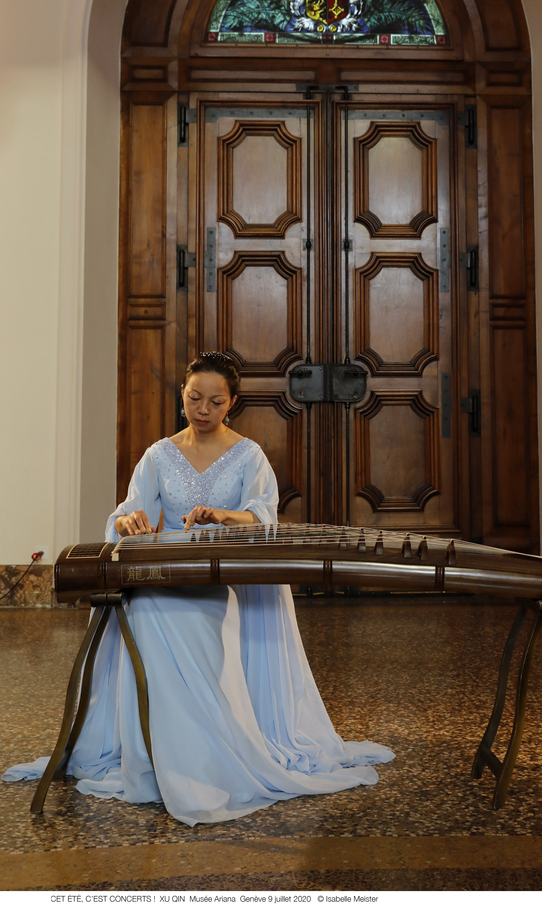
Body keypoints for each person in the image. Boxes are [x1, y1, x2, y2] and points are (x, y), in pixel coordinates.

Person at [3, 352, 394, 826]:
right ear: (182, 395)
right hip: (166, 577)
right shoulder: (158, 455)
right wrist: (129, 521)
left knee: (172, 618)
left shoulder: (248, 455)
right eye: (194, 398)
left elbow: (264, 516)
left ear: (232, 402)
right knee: (141, 611)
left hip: (220, 584)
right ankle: (155, 755)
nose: (203, 409)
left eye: (215, 401)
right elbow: (126, 513)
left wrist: (223, 515)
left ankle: (202, 756)